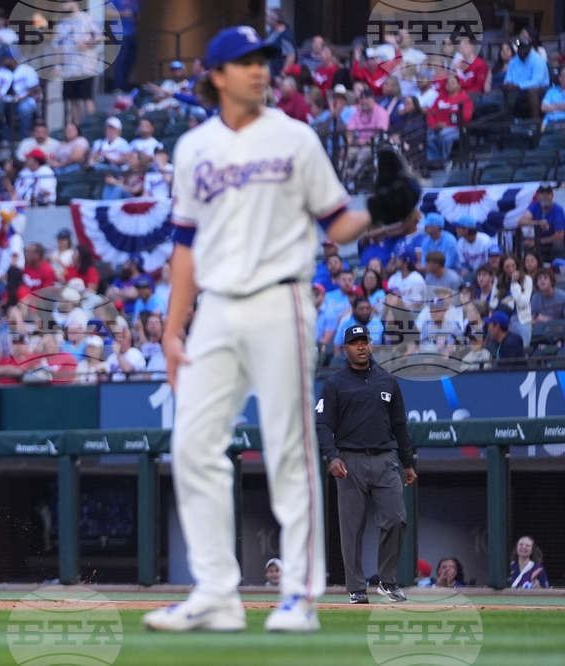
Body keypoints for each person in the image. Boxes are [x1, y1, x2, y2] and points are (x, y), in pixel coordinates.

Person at [142, 26, 373, 635]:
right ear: (216, 76)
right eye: (245, 62)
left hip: (281, 299)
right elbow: (185, 245)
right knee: (190, 444)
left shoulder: (296, 137)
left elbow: (337, 220)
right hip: (215, 306)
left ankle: (299, 595)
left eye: (264, 61)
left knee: (290, 448)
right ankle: (216, 591)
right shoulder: (192, 147)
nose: (259, 70)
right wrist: (173, 330)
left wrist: (382, 208)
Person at [317, 325, 416, 604]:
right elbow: (323, 424)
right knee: (351, 528)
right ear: (345, 348)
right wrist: (332, 456)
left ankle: (387, 581)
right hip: (349, 461)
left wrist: (407, 462)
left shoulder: (387, 381)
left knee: (396, 518)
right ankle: (356, 589)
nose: (361, 347)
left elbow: (399, 425)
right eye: (355, 342)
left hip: (385, 459)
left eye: (364, 341)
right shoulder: (335, 383)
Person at [426, 76, 472, 164]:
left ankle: (445, 161)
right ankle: (439, 161)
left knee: (444, 135)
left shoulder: (464, 98)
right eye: (448, 83)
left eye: (453, 83)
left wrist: (447, 125)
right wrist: (434, 125)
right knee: (427, 137)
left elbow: (466, 117)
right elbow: (430, 113)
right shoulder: (440, 98)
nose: (450, 85)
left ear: (459, 85)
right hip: (437, 128)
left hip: (457, 129)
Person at [504, 38, 549, 119]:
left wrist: (518, 86)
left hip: (540, 90)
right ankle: (508, 124)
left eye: (524, 47)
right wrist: (507, 84)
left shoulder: (537, 60)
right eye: (519, 47)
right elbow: (508, 79)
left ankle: (535, 124)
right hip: (517, 90)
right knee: (503, 90)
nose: (521, 50)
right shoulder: (513, 61)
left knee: (531, 91)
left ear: (529, 48)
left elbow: (537, 82)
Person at [518, 183, 565, 261]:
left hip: (551, 242)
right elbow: (521, 221)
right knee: (526, 244)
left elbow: (559, 236)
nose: (545, 196)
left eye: (548, 193)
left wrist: (537, 242)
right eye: (542, 193)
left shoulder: (558, 210)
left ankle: (559, 267)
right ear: (538, 196)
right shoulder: (535, 206)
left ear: (552, 195)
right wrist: (538, 223)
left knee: (558, 244)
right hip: (539, 242)